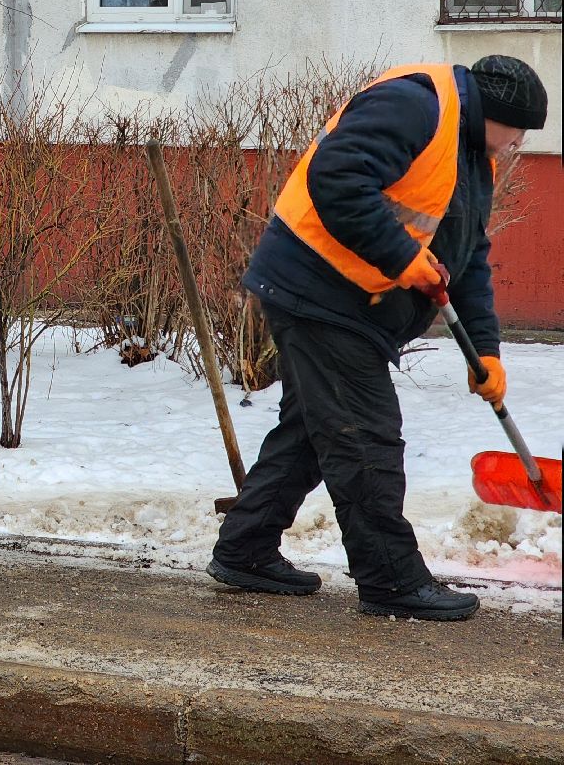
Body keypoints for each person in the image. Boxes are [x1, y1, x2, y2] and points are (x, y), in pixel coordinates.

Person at [207, 55, 548, 621]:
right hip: (318, 289)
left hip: (349, 303)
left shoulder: (470, 156)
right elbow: (335, 177)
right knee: (364, 437)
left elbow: (469, 257)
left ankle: (244, 548)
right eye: (517, 134)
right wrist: (401, 256)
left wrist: (485, 350)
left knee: (314, 431)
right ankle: (390, 579)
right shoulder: (416, 107)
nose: (516, 146)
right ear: (496, 114)